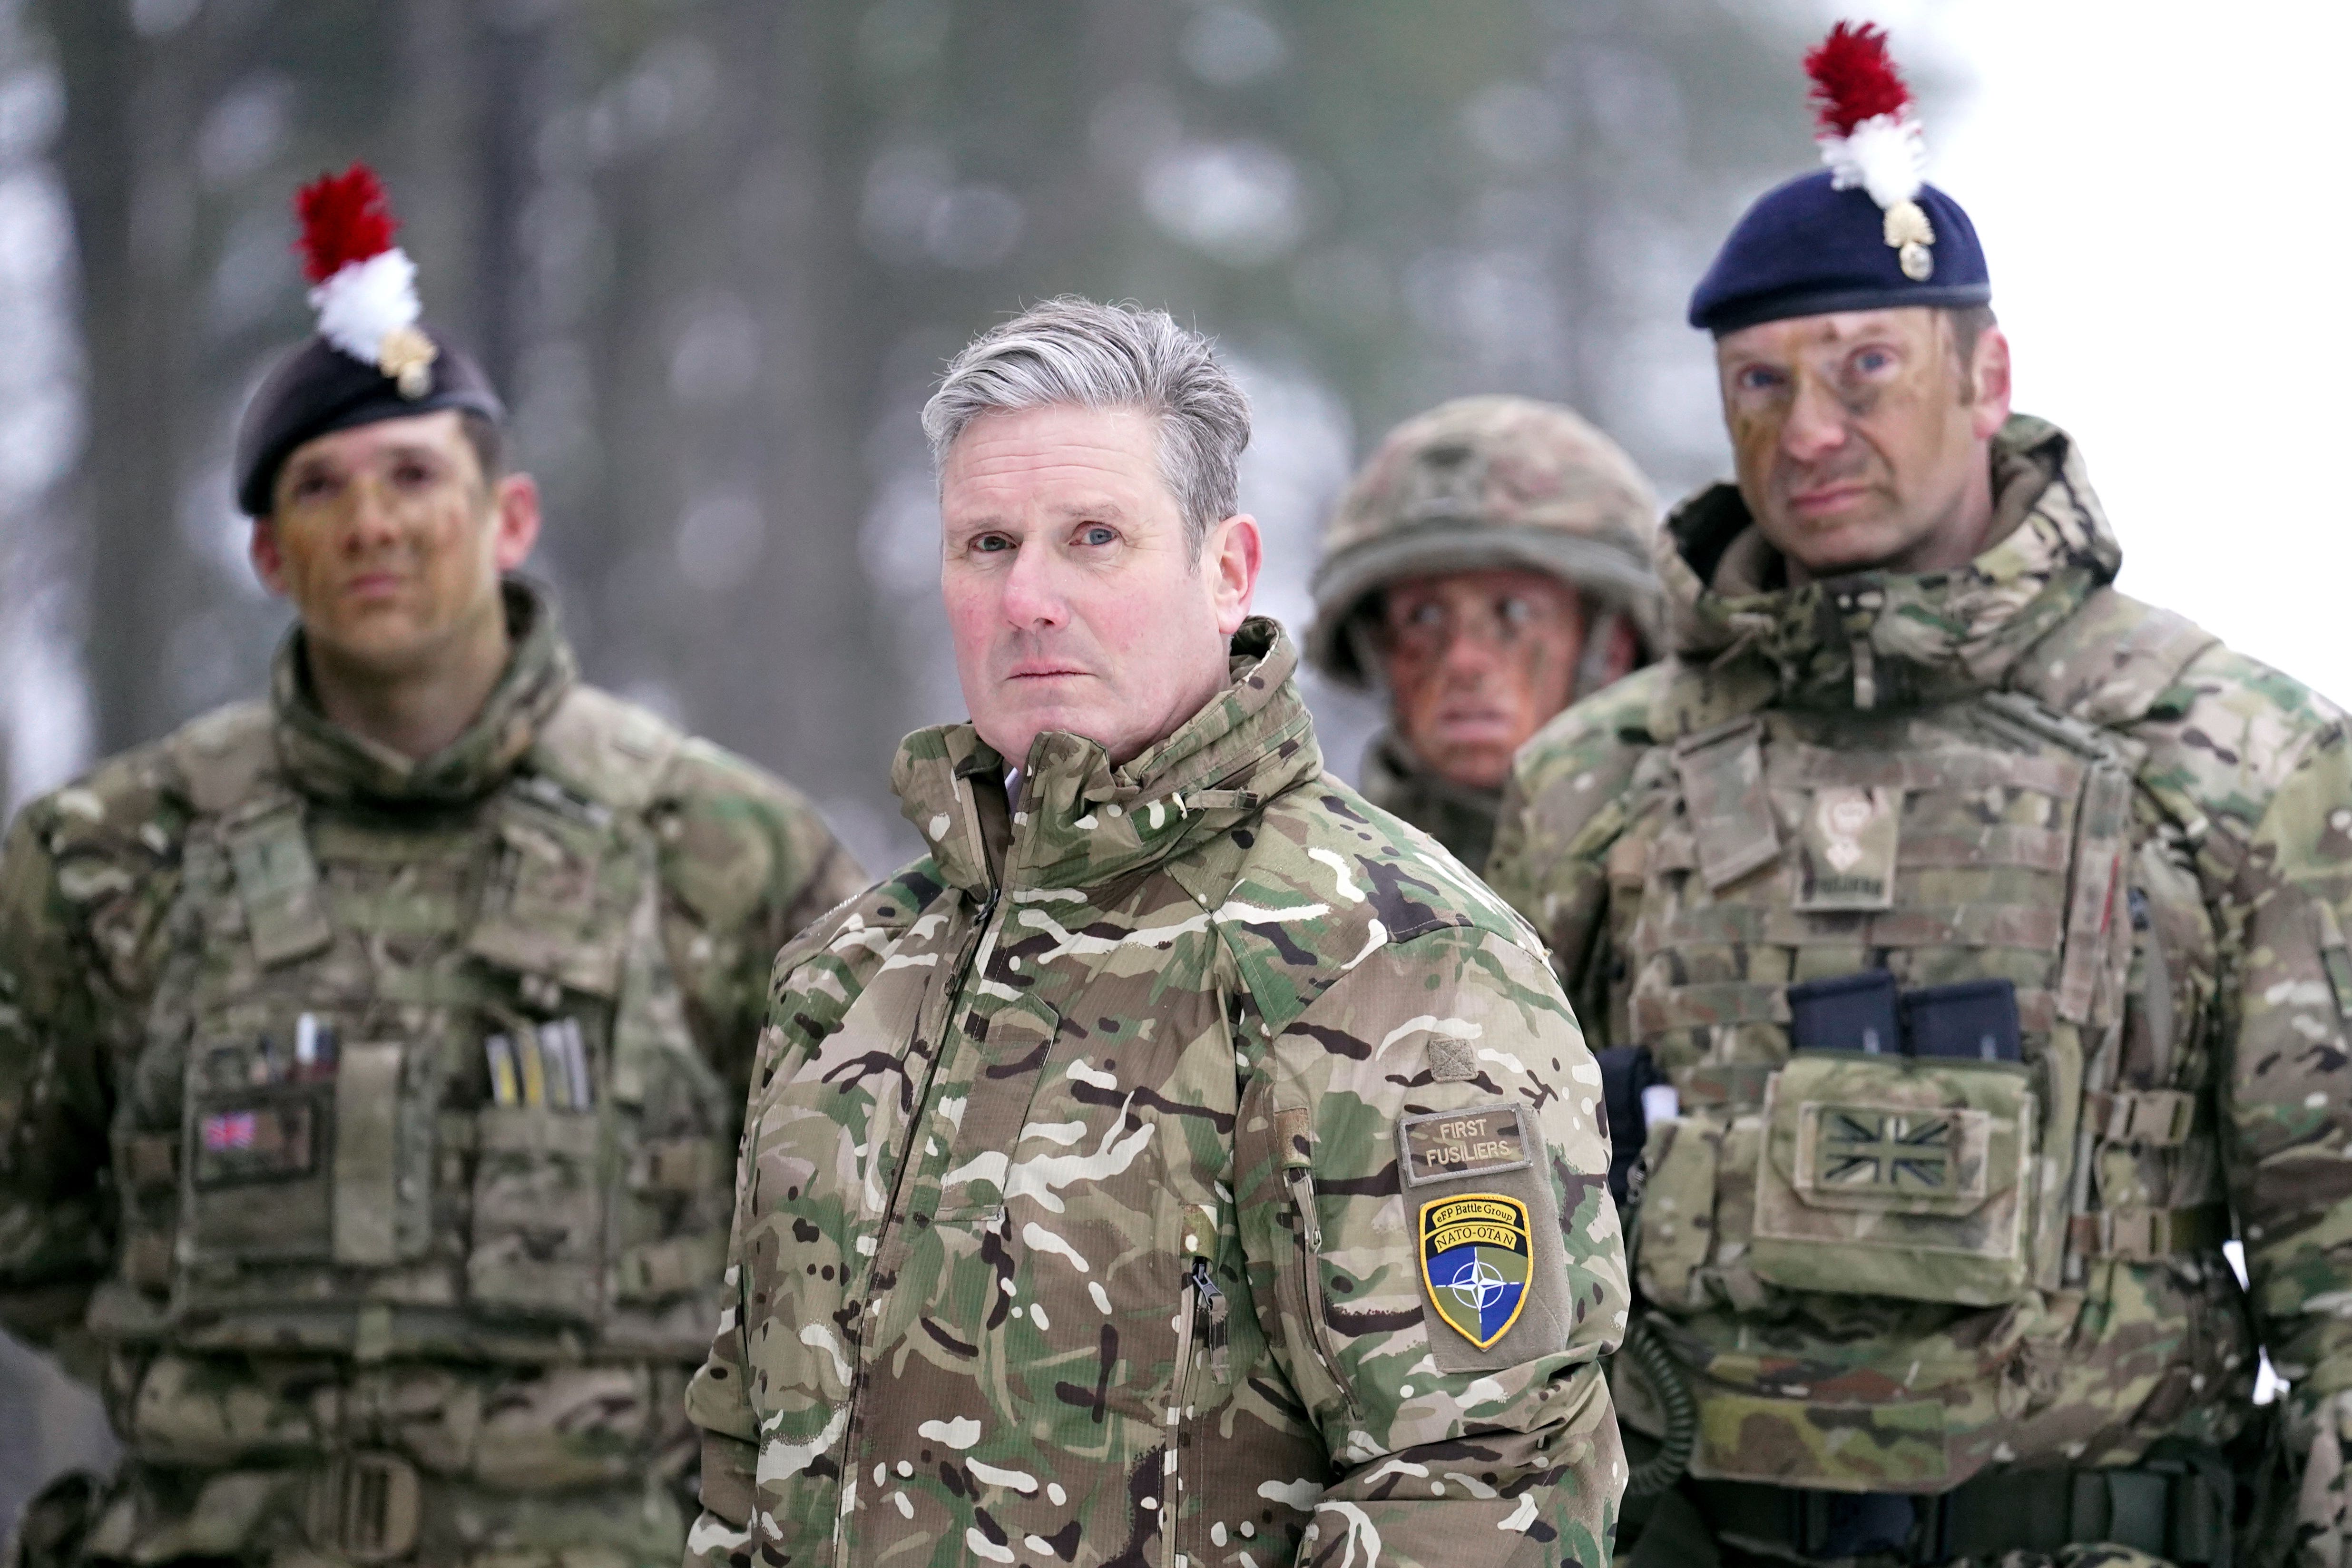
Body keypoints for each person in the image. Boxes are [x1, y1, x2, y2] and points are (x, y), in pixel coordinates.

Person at [1485, 23, 2352, 1568]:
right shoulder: (1594, 779)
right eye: (1760, 381)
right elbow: (1486, 1231)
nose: (1809, 428)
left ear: (1987, 371)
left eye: (1866, 366)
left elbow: (2339, 1259)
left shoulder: (2229, 754)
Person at [0, 166, 865, 1568]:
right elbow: (30, 1227)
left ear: (509, 518)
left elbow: (836, 1240)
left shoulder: (718, 849)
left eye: (415, 476)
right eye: (323, 490)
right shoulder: (111, 858)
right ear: (272, 555)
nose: (375, 524)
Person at [680, 297, 1628, 1568]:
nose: (1028, 597)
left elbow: (1485, 1490)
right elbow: (747, 1458)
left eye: (1093, 539)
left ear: (1226, 566)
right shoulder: (850, 977)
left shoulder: (1396, 964)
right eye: (986, 544)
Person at [1304, 396, 1661, 872]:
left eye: (1514, 611)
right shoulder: (1309, 890)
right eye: (1423, 617)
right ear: (1377, 649)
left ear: (1613, 646)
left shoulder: (1702, 883)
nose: (1463, 660)